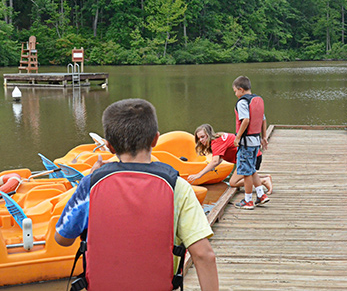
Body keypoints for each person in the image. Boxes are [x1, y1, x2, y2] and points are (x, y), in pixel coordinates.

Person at [54, 99, 218, 291]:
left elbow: (62, 239)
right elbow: (204, 255)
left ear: (109, 146)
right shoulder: (177, 187)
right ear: (156, 139)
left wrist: (90, 179)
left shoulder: (90, 185)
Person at [187, 124, 272, 195]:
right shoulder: (218, 137)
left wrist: (199, 174)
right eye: (199, 138)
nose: (201, 140)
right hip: (252, 155)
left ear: (209, 135)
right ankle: (265, 177)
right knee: (241, 177)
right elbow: (219, 160)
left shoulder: (216, 142)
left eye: (203, 137)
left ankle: (263, 180)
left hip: (249, 158)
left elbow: (215, 161)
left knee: (233, 182)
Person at [232, 75, 269, 210]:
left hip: (246, 143)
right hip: (255, 141)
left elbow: (245, 120)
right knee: (252, 169)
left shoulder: (242, 102)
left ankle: (248, 201)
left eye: (235, 91)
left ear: (241, 89)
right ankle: (261, 195)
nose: (235, 94)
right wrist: (264, 137)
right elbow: (263, 119)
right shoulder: (257, 100)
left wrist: (237, 138)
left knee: (246, 173)